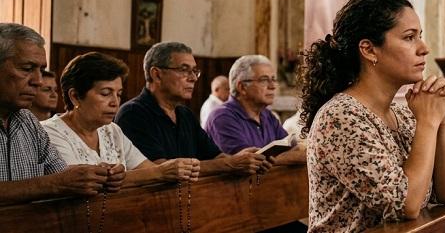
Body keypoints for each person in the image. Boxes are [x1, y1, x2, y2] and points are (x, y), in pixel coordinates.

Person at [301, 0, 445, 231]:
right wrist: (428, 121)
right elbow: (404, 204)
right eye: (409, 38)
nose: (424, 48)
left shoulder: (404, 114)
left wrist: (441, 120)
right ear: (369, 50)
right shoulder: (341, 117)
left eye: (420, 36)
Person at [0, 23, 124, 205]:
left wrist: (96, 175)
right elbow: (56, 182)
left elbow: (59, 172)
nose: (38, 81)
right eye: (27, 69)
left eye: (41, 71)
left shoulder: (27, 121)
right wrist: (54, 184)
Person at [42, 52, 200, 186]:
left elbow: (147, 169)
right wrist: (161, 171)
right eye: (105, 93)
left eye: (118, 94)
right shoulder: (49, 133)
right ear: (75, 97)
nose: (115, 102)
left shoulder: (111, 130)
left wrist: (173, 168)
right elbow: (82, 183)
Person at [115, 42, 271, 176]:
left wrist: (244, 159)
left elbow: (214, 157)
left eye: (195, 71)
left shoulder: (185, 114)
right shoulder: (133, 114)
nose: (193, 78)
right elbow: (164, 171)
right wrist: (231, 164)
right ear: (157, 74)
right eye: (184, 70)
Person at [206, 55, 306, 164]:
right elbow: (249, 163)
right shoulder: (222, 118)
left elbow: (296, 150)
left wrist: (274, 159)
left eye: (273, 79)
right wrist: (282, 158)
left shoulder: (267, 116)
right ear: (242, 87)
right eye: (264, 80)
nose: (272, 86)